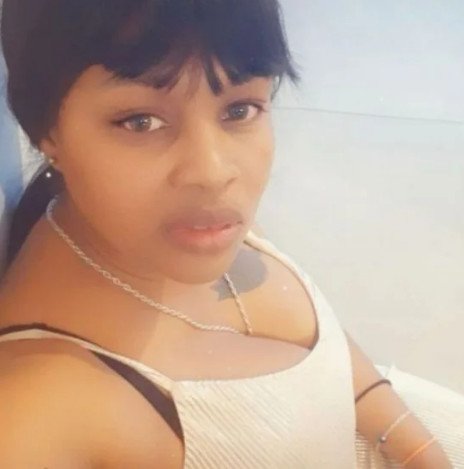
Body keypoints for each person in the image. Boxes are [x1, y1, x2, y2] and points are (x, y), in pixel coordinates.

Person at [0, 1, 453, 467]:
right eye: (141, 122)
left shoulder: (181, 228)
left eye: (240, 109)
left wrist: (418, 449)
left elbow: (333, 363)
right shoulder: (37, 409)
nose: (213, 172)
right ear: (46, 130)